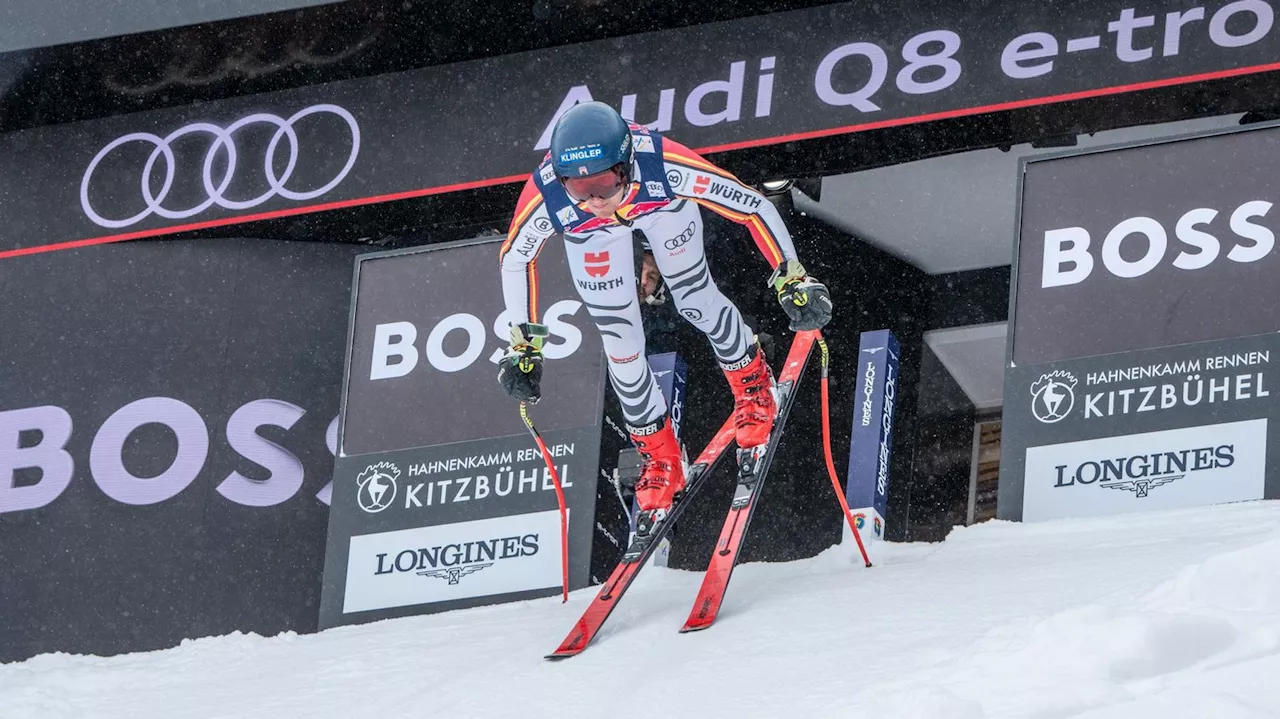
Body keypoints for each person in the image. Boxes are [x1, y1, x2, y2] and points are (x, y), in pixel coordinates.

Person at [496, 101, 832, 527]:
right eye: (578, 188)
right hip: (590, 239)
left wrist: (792, 278)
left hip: (661, 210)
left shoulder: (662, 162)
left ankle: (753, 387)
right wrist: (524, 346)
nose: (594, 198)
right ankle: (660, 456)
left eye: (602, 182)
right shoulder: (548, 194)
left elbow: (751, 206)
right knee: (621, 345)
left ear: (626, 163)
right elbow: (514, 259)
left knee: (694, 298)